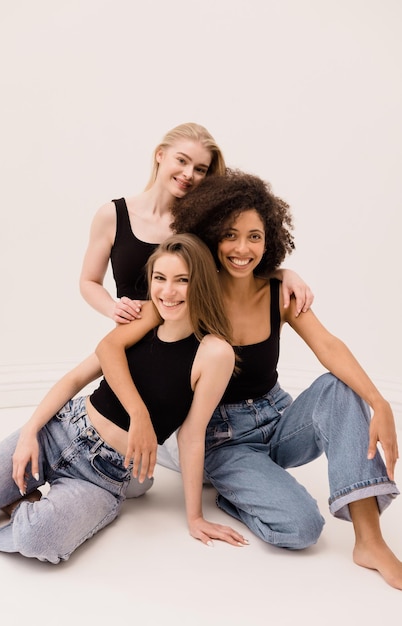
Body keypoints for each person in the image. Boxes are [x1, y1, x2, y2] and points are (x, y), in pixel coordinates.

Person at [97, 170, 402, 589]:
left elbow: (328, 346)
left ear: (270, 240)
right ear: (210, 238)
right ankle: (233, 491)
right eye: (230, 235)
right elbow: (114, 343)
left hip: (279, 419)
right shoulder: (190, 293)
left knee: (339, 385)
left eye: (255, 237)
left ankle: (369, 540)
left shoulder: (279, 292)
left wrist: (380, 402)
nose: (243, 249)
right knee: (301, 530)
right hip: (224, 440)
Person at [0, 234, 248, 563]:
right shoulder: (147, 316)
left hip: (102, 474)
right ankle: (19, 499)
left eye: (183, 280)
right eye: (160, 279)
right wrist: (29, 433)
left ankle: (24, 505)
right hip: (60, 430)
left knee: (38, 538)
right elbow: (77, 377)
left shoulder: (214, 353)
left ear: (202, 284)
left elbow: (192, 436)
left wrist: (194, 517)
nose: (168, 292)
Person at [79, 122, 313, 324]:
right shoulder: (112, 215)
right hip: (129, 337)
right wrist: (112, 308)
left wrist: (283, 273)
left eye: (200, 169)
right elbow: (89, 281)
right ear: (160, 154)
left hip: (192, 346)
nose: (188, 174)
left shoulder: (203, 224)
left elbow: (234, 269)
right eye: (182, 160)